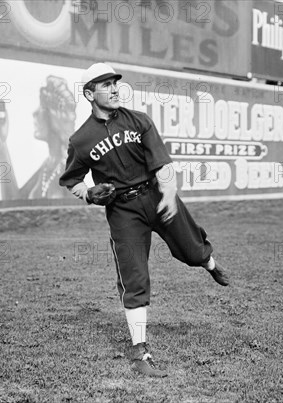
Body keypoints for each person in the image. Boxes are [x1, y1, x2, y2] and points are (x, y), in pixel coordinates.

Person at [59, 63, 230, 378]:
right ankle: (139, 350)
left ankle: (209, 264)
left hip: (157, 195)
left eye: (115, 83)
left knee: (192, 252)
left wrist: (167, 195)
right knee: (134, 275)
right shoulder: (81, 140)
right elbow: (72, 180)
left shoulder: (139, 121)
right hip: (123, 211)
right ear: (89, 94)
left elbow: (163, 165)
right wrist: (90, 193)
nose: (114, 89)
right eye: (105, 85)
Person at [0, 75, 76, 200]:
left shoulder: (67, 169)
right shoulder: (48, 166)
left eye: (41, 107)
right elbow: (14, 204)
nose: (35, 112)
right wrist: (1, 145)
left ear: (54, 116)